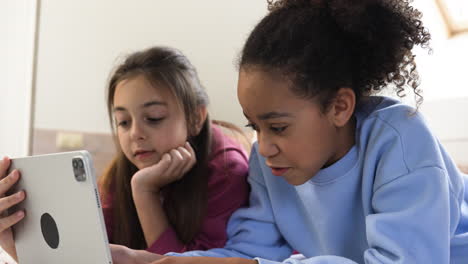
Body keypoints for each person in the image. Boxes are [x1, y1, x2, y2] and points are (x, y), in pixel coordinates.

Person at [109, 0, 468, 263]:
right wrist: (150, 260)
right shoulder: (268, 161)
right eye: (255, 126)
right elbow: (249, 253)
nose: (263, 146)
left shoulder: (399, 140)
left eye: (278, 127)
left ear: (339, 107)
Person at [0, 46, 251, 261]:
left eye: (154, 118)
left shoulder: (228, 170)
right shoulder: (121, 173)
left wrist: (145, 194)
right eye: (123, 122)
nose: (135, 134)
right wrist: (11, 242)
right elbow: (85, 256)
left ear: (196, 118)